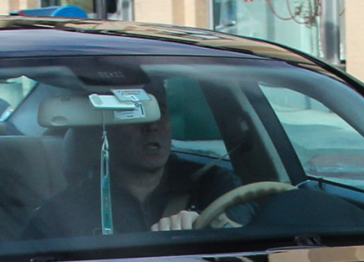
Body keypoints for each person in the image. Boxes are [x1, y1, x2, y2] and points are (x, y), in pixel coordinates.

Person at [22, 100, 239, 239]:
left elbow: (250, 229)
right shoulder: (60, 215)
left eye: (159, 112)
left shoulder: (215, 184)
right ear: (105, 131)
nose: (152, 125)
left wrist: (203, 221)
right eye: (135, 114)